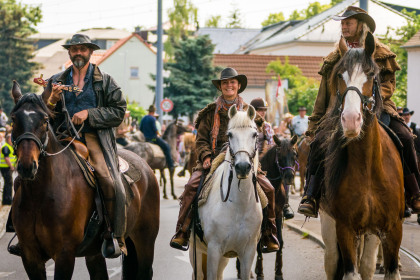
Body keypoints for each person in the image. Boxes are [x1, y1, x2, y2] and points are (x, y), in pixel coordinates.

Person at [8, 34, 128, 258]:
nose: (78, 53)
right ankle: (21, 234)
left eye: (82, 49)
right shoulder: (55, 80)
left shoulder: (106, 81)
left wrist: (89, 114)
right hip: (60, 137)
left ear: (91, 52)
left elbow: (118, 111)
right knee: (20, 179)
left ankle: (112, 234)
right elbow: (42, 116)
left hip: (93, 138)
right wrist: (50, 101)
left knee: (108, 179)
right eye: (74, 50)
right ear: (70, 53)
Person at [298, 6, 420, 217]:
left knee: (406, 137)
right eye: (343, 23)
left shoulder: (380, 52)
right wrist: (314, 125)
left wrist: (369, 96)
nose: (344, 27)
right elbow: (323, 96)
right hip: (340, 110)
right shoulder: (334, 57)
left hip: (377, 106)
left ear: (360, 25)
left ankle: (414, 194)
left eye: (349, 23)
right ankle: (311, 196)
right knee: (318, 143)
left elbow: (389, 84)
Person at [170, 67, 280, 253]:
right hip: (213, 159)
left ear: (238, 86)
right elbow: (201, 139)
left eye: (232, 82)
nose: (229, 85)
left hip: (243, 159)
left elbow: (258, 135)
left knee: (268, 189)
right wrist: (205, 156)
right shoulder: (209, 113)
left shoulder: (249, 112)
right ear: (220, 87)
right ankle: (182, 231)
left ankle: (268, 234)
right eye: (225, 83)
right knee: (191, 187)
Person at [250, 98, 294, 220]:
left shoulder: (266, 126)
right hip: (247, 159)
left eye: (264, 110)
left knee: (285, 172)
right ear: (253, 111)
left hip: (263, 160)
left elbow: (270, 143)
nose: (262, 113)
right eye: (260, 110)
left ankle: (284, 205)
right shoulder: (247, 124)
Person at [140, 105, 175, 171]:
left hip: (146, 139)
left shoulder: (144, 118)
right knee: (166, 146)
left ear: (149, 111)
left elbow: (141, 128)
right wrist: (159, 134)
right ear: (153, 111)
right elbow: (155, 129)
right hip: (153, 139)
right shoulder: (153, 118)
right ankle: (170, 165)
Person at [1, 134, 15, 206]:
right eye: (11, 139)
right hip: (6, 168)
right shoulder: (6, 147)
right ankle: (8, 200)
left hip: (7, 168)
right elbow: (6, 158)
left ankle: (6, 199)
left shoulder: (9, 146)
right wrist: (11, 166)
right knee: (8, 183)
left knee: (8, 183)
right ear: (8, 139)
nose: (12, 141)